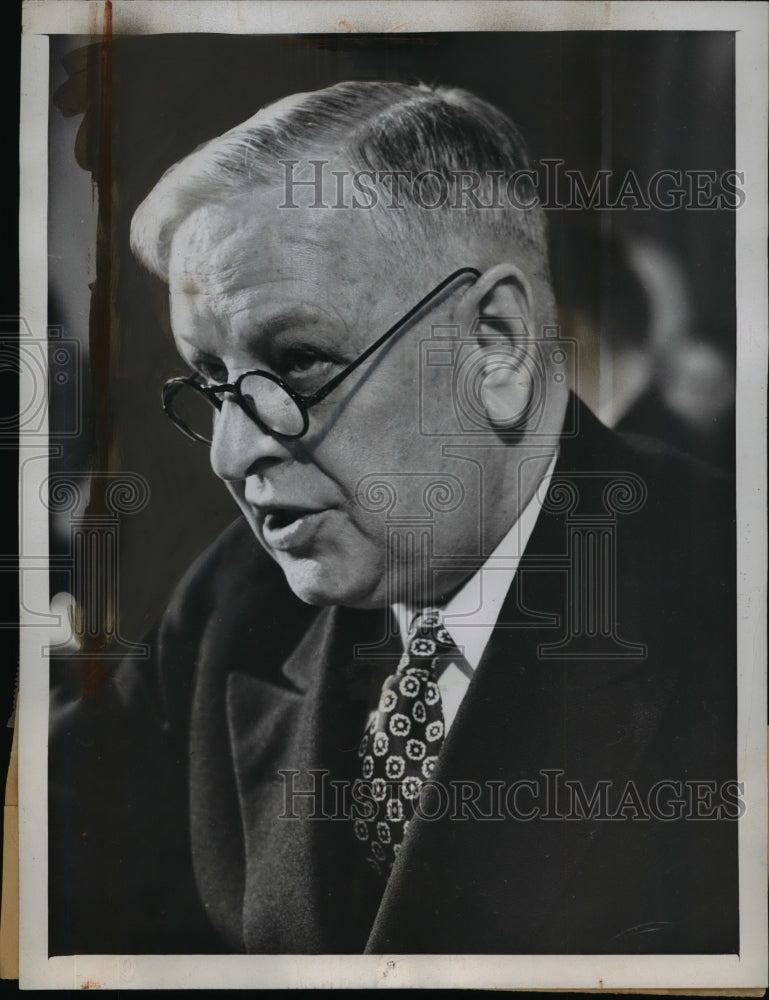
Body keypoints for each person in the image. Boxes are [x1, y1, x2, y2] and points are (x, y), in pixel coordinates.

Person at [49, 81, 738, 956]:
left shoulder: (730, 599)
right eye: (213, 383)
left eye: (297, 364)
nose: (231, 454)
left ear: (494, 343)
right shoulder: (234, 602)